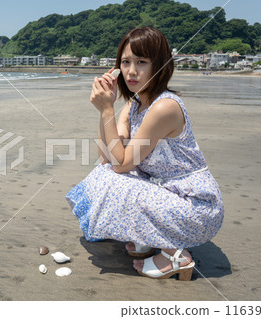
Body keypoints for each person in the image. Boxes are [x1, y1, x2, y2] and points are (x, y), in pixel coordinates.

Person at [65, 27, 224, 281]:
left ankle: (177, 256)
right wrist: (105, 110)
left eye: (141, 62)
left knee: (115, 179)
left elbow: (121, 165)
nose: (131, 71)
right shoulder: (136, 103)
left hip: (196, 207)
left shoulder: (165, 107)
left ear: (159, 66)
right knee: (103, 172)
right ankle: (151, 239)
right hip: (169, 193)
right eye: (126, 62)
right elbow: (107, 156)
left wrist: (107, 109)